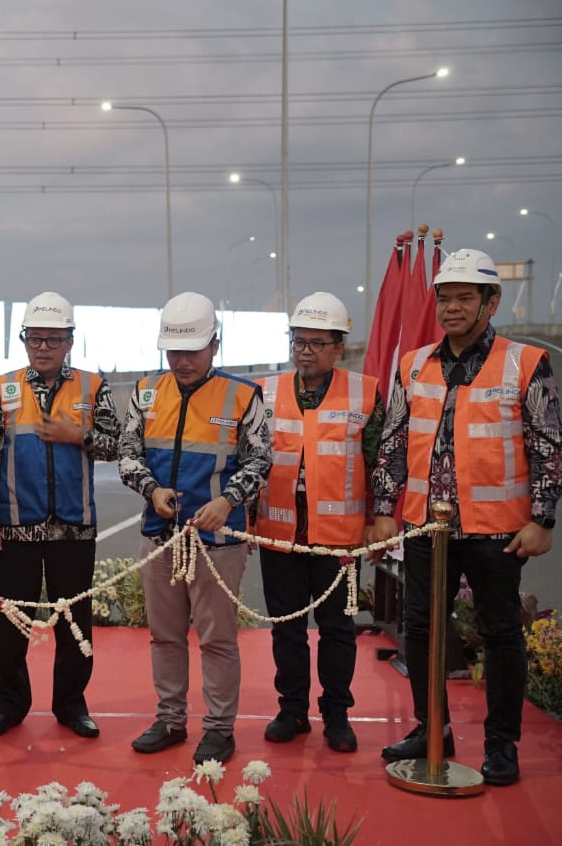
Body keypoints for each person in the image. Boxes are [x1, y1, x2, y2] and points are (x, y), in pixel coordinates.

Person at [367, 249, 561, 786]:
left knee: (501, 635)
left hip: (498, 531)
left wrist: (542, 519)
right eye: (444, 298)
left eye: (464, 298)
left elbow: (549, 446)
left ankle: (502, 744)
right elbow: (393, 442)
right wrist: (384, 510)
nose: (451, 308)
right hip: (427, 528)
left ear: (490, 302)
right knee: (421, 630)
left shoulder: (525, 363)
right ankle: (433, 729)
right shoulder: (414, 363)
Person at [119, 290, 271, 764]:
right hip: (159, 534)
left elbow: (261, 459)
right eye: (174, 351)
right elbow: (128, 455)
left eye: (192, 350)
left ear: (215, 345)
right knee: (164, 635)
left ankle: (220, 729)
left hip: (217, 540)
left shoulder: (243, 395)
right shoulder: (146, 391)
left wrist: (228, 501)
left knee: (217, 638)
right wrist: (151, 490)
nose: (181, 361)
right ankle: (170, 719)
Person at [0, 291, 119, 739]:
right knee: (9, 622)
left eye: (52, 339)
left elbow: (118, 446)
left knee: (75, 624)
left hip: (74, 528)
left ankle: (72, 706)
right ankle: (8, 707)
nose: (42, 347)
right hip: (15, 526)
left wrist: (79, 435)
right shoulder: (2, 389)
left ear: (70, 340)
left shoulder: (94, 388)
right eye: (34, 338)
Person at [253, 292, 383, 754]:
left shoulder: (365, 393)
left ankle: (337, 715)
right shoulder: (265, 392)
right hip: (280, 534)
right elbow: (252, 460)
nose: (304, 351)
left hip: (339, 539)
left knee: (338, 631)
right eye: (298, 342)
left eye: (315, 343)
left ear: (338, 347)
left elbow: (380, 462)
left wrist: (378, 520)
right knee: (287, 628)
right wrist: (248, 519)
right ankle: (291, 710)